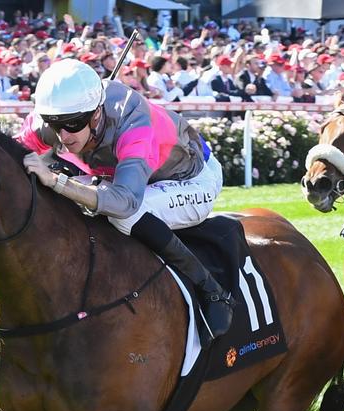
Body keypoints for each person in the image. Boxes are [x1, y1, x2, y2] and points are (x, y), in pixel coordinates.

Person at [18, 59, 234, 346]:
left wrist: (57, 181)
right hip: (135, 177)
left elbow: (125, 203)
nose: (63, 136)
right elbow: (10, 155)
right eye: (54, 124)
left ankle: (211, 289)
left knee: (123, 216)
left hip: (193, 179)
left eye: (72, 124)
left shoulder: (133, 122)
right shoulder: (55, 118)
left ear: (96, 114)